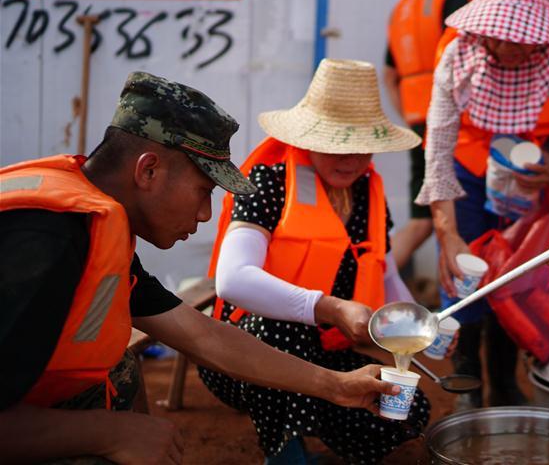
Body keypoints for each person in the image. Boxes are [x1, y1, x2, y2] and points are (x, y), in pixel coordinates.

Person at [0, 72, 398, 463]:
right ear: (148, 170)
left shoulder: (95, 226)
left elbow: (202, 335)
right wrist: (110, 433)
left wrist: (338, 386)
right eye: (204, 191)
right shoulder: (45, 242)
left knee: (119, 372)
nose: (207, 214)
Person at [199, 59, 431, 464]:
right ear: (309, 138)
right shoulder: (269, 182)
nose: (351, 159)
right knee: (281, 330)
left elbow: (387, 275)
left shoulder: (367, 193)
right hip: (243, 352)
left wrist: (431, 326)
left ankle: (315, 436)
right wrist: (328, 307)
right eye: (337, 144)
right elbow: (232, 281)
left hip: (324, 352)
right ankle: (286, 453)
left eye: (362, 145)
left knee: (408, 407)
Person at [417, 0, 549, 409]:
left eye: (520, 38)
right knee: (463, 277)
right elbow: (439, 144)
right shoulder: (456, 54)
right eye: (498, 35)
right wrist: (447, 234)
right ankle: (468, 376)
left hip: (527, 182)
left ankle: (505, 381)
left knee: (515, 282)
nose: (508, 47)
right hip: (466, 179)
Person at [384, 0, 472, 271]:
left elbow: (389, 75)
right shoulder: (454, 0)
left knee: (423, 219)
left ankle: (372, 280)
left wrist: (409, 117)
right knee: (457, 216)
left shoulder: (401, 10)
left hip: (418, 123)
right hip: (454, 128)